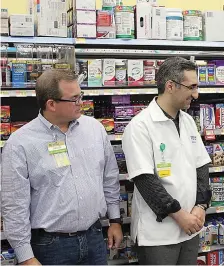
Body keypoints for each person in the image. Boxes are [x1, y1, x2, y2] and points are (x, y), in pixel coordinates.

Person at [1, 69, 123, 265]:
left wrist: (115, 220)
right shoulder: (20, 144)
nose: (80, 102)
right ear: (51, 104)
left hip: (94, 237)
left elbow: (109, 177)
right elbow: (14, 205)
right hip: (51, 246)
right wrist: (26, 257)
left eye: (80, 95)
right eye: (74, 98)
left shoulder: (95, 129)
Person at [122, 57, 211, 265]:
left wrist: (201, 205)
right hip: (159, 233)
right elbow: (145, 180)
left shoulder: (187, 120)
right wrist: (179, 215)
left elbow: (201, 166)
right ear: (170, 86)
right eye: (192, 87)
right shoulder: (140, 126)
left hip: (191, 226)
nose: (196, 94)